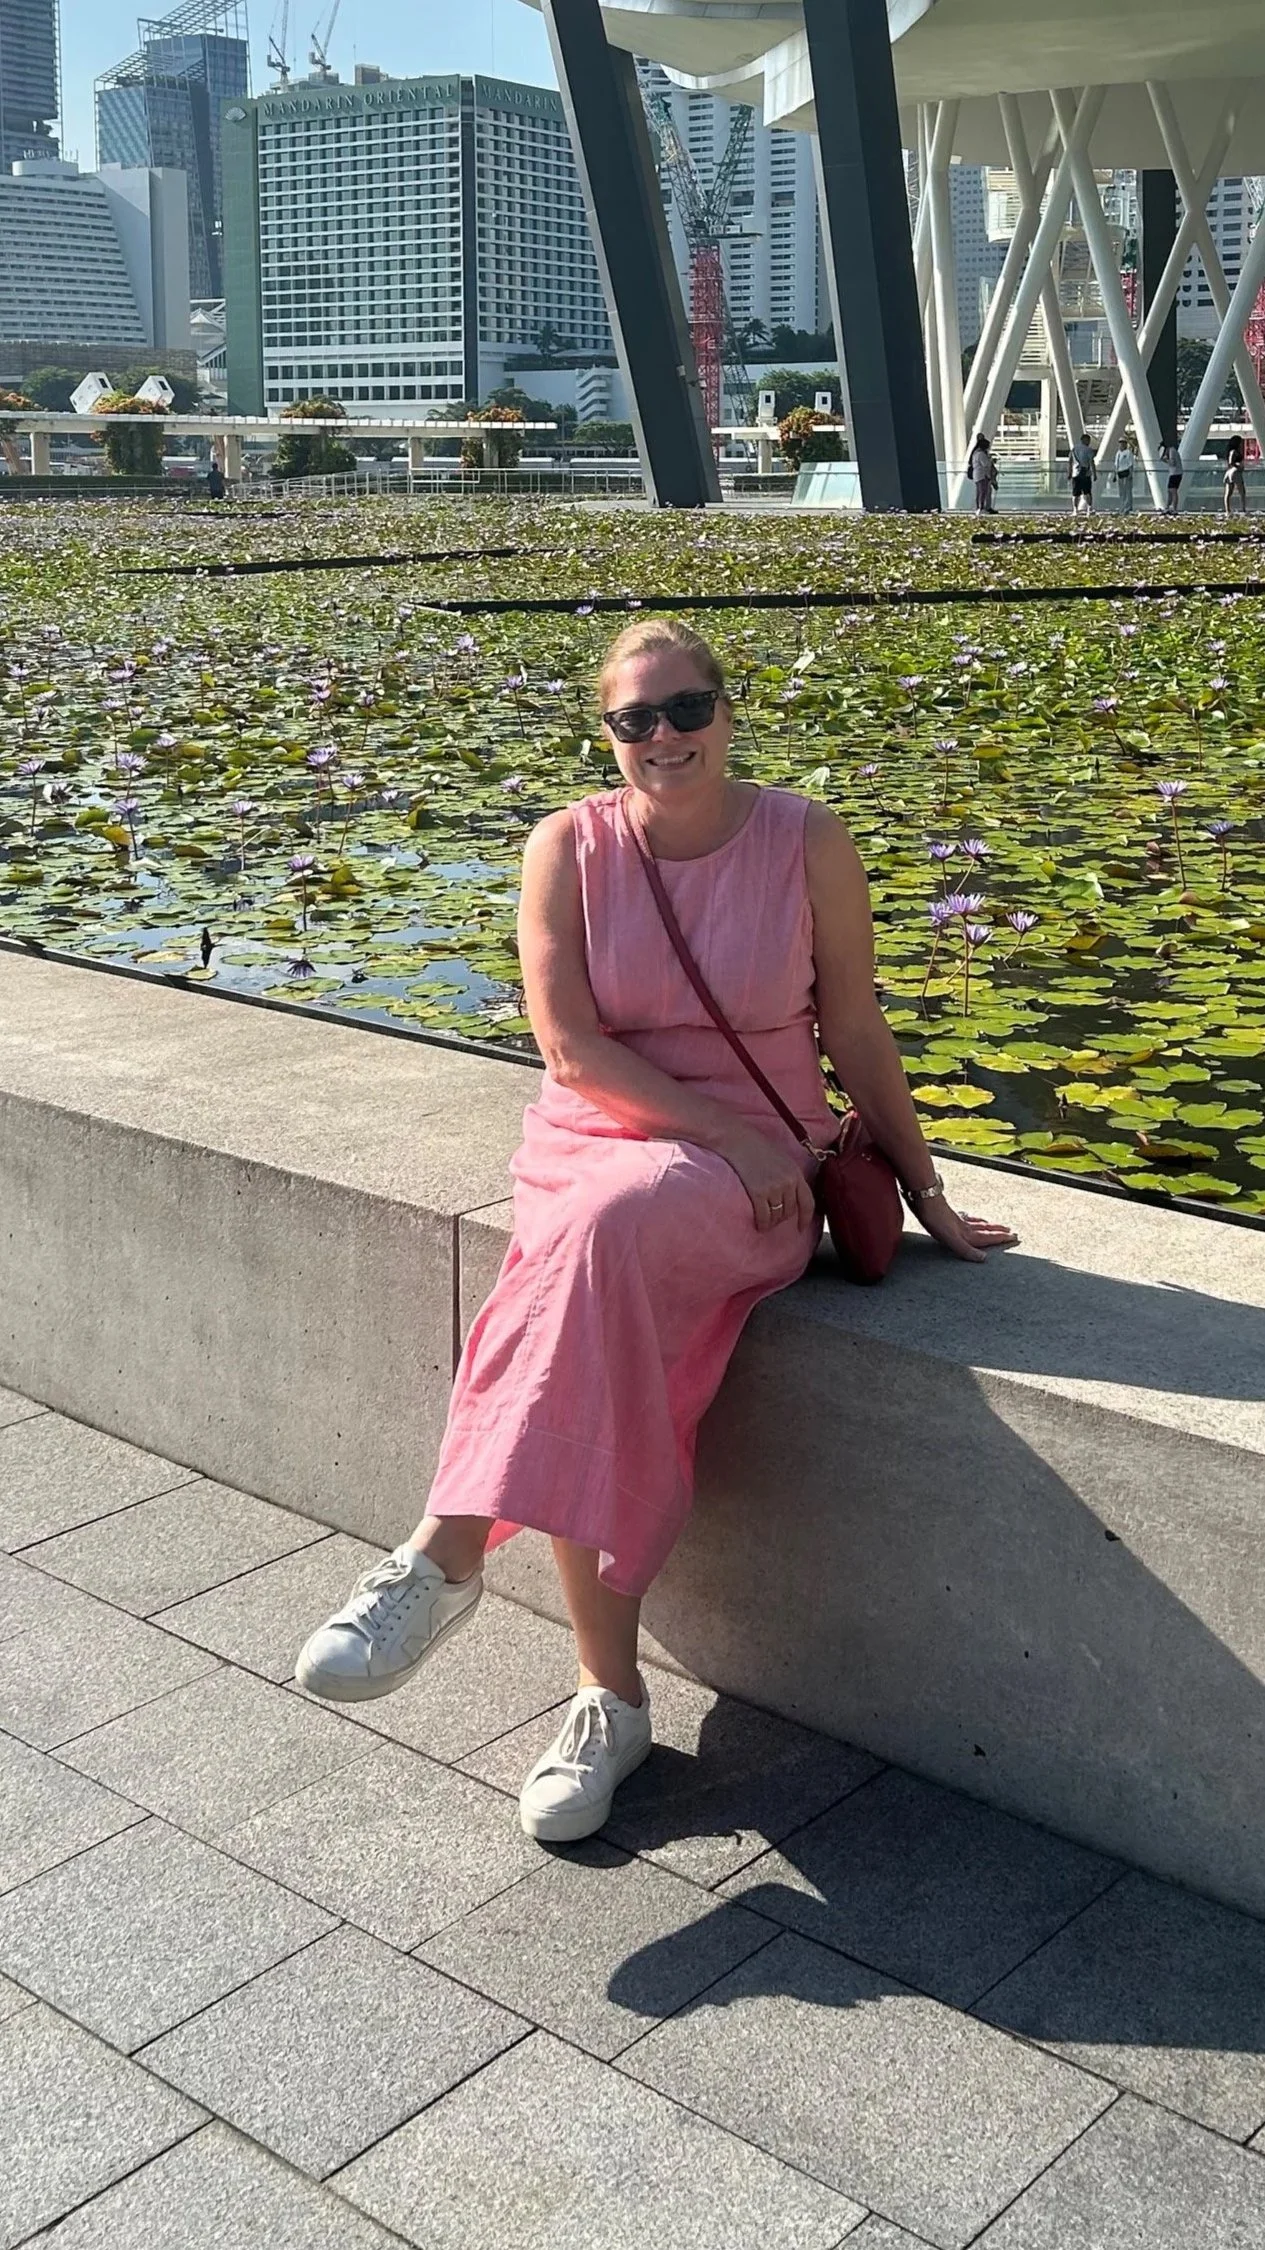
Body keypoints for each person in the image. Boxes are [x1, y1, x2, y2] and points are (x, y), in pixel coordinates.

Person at [295, 621, 1019, 1843]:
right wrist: (710, 1133)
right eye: (635, 721)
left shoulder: (806, 839)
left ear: (726, 714)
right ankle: (600, 1691)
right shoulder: (563, 846)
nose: (663, 739)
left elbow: (852, 1023)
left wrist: (922, 1186)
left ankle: (453, 1559)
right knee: (595, 1259)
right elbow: (569, 1049)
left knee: (597, 1246)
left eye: (686, 710)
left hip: (756, 1173)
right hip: (592, 1138)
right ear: (606, 733)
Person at [1068, 431, 1096, 516]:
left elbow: (1070, 461)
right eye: (1088, 441)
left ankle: (1075, 510)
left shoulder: (1074, 449)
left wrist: (1069, 473)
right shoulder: (1089, 450)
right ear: (1086, 440)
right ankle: (1089, 509)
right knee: (1087, 492)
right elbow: (1091, 462)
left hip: (1075, 473)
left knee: (1075, 493)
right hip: (1085, 474)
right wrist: (1094, 473)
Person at [969, 432, 997, 513]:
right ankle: (981, 508)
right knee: (983, 492)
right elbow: (986, 464)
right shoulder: (981, 454)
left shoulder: (975, 453)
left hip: (978, 475)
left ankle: (980, 507)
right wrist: (991, 460)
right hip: (982, 475)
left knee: (980, 492)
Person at [1223, 434, 1247, 517]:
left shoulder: (1231, 451)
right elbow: (1231, 462)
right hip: (1235, 472)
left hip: (1229, 472)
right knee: (1242, 491)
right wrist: (1239, 466)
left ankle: (1227, 510)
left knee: (1228, 492)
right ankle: (1243, 509)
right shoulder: (1234, 451)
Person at [1113, 436, 1136, 515]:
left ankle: (1128, 507)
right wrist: (1114, 474)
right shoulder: (1118, 453)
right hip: (1120, 473)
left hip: (1126, 472)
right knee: (1122, 492)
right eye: (1120, 443)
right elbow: (1116, 465)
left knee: (1127, 491)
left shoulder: (1128, 453)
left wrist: (1130, 474)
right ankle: (1122, 507)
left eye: (1123, 443)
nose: (1121, 445)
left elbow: (1130, 464)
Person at [1162, 437, 1183, 515]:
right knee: (1169, 491)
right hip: (1174, 473)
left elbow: (1172, 463)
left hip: (1176, 473)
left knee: (1173, 491)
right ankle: (1167, 507)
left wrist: (1166, 460)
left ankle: (1174, 508)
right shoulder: (1172, 451)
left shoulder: (1171, 451)